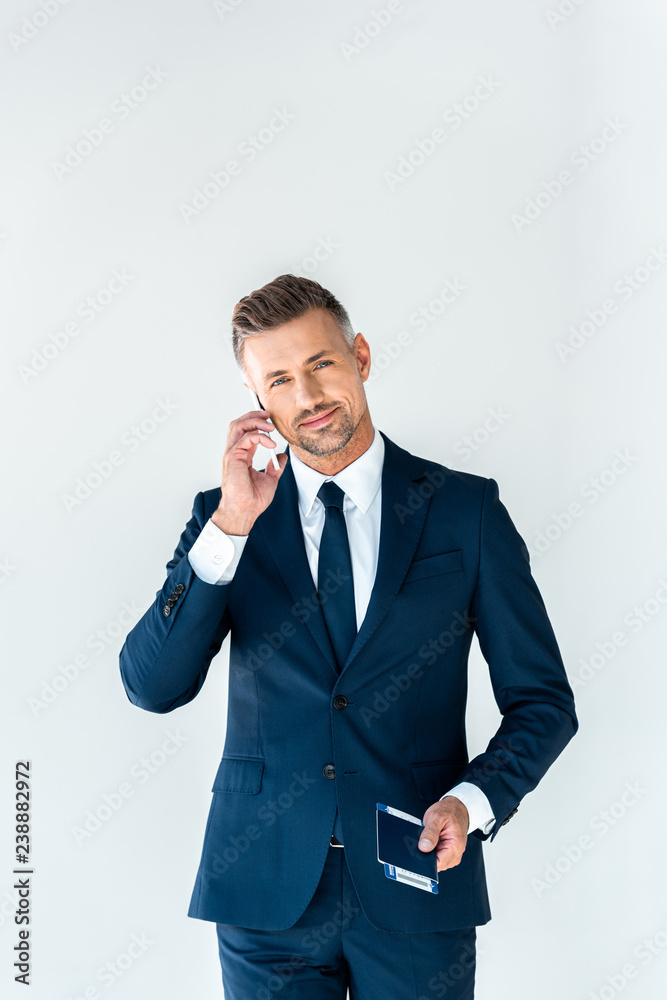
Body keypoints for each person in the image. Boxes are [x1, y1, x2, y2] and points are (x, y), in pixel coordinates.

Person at [119, 273, 578, 999]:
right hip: (263, 885)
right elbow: (152, 686)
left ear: (360, 356)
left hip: (418, 877)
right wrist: (230, 526)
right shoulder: (226, 518)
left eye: (321, 363)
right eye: (279, 379)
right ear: (256, 398)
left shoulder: (465, 512)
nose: (307, 395)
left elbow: (543, 702)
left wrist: (473, 802)